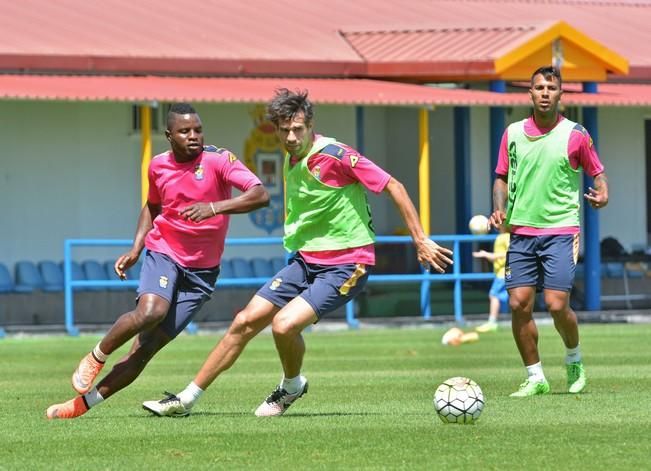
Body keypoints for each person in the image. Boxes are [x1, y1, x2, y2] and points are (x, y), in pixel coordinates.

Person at [142, 88, 454, 417]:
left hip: (348, 264)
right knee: (244, 321)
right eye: (284, 130)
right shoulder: (293, 159)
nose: (291, 136)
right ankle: (185, 400)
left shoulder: (335, 154)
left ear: (310, 126)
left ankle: (291, 386)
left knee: (283, 325)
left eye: (298, 129)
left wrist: (419, 239)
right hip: (307, 261)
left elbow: (394, 186)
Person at [45, 103, 270, 419]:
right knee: (152, 311)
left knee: (145, 349)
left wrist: (215, 207)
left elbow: (260, 194)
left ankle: (79, 406)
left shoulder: (220, 160)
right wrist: (136, 248)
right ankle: (96, 356)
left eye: (198, 130)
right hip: (165, 252)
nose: (194, 136)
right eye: (184, 131)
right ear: (169, 135)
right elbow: (152, 207)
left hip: (203, 272)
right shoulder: (158, 166)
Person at [488, 66, 609, 397]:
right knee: (518, 304)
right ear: (529, 93)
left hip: (560, 229)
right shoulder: (512, 133)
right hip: (522, 231)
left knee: (557, 305)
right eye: (538, 87)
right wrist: (498, 207)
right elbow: (501, 176)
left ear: (560, 94)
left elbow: (597, 172)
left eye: (551, 88)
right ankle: (535, 376)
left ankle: (574, 359)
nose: (544, 92)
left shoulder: (576, 134)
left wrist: (602, 191)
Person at [472, 227, 510, 332]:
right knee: (504, 296)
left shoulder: (506, 237)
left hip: (505, 272)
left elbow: (509, 253)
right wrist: (486, 255)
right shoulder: (501, 236)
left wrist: (487, 254)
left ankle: (492, 322)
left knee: (493, 295)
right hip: (502, 272)